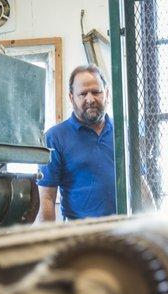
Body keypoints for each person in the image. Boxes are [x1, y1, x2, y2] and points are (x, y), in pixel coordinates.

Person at [36, 64, 116, 222]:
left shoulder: (123, 131)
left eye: (96, 92)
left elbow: (140, 181)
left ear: (106, 93)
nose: (90, 99)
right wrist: (49, 242)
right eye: (83, 94)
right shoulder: (55, 137)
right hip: (80, 235)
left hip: (124, 231)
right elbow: (46, 199)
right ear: (71, 97)